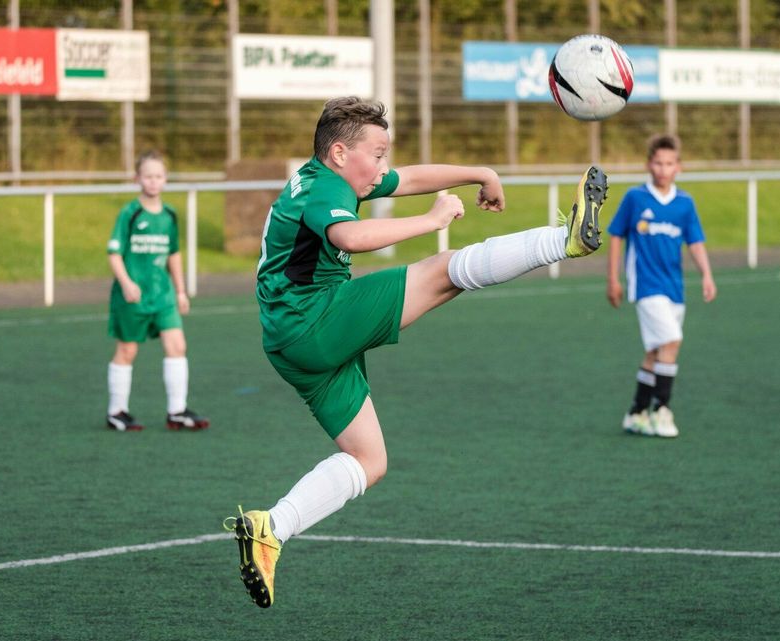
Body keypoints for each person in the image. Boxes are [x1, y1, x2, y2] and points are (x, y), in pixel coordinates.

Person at [223, 96, 608, 608]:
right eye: (377, 154)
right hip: (311, 320)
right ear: (339, 152)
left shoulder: (331, 175)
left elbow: (408, 178)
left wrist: (480, 172)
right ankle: (565, 241)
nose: (383, 167)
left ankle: (271, 527)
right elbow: (351, 235)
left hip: (290, 340)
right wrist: (432, 220)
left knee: (369, 459)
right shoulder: (323, 189)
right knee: (442, 270)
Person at [606, 134, 716, 438]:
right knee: (672, 340)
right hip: (645, 286)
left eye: (669, 164)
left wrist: (706, 274)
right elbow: (616, 235)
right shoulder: (635, 198)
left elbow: (695, 241)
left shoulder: (684, 203)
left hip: (674, 288)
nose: (663, 169)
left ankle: (636, 413)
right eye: (658, 163)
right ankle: (662, 410)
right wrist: (613, 278)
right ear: (648, 165)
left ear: (678, 167)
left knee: (657, 351)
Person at [105, 150, 209, 432]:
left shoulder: (169, 214)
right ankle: (117, 411)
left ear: (165, 179)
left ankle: (176, 410)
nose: (153, 181)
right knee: (127, 350)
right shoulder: (130, 212)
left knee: (177, 346)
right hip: (133, 296)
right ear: (137, 178)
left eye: (159, 176)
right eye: (148, 176)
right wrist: (127, 283)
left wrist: (180, 291)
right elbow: (114, 253)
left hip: (162, 296)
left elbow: (173, 254)